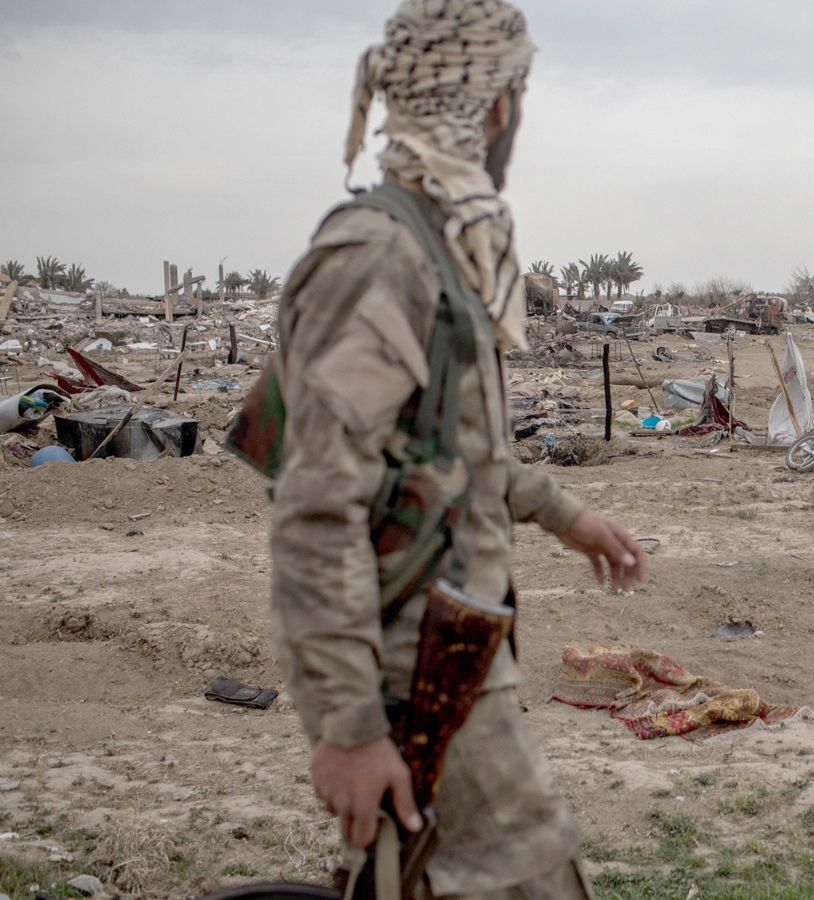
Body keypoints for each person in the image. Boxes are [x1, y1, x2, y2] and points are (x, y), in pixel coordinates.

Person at [268, 1, 643, 896]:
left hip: (462, 651)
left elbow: (454, 450)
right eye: (516, 94)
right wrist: (349, 726)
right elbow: (316, 505)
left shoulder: (439, 253)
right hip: (415, 667)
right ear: (497, 106)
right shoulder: (379, 257)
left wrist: (563, 514)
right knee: (529, 873)